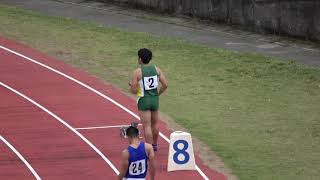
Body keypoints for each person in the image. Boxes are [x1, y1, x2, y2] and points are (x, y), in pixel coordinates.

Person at [129, 48, 168, 151]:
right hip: (154, 99)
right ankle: (155, 145)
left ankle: (149, 148)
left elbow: (133, 90)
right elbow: (165, 84)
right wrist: (158, 94)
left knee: (147, 126)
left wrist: (132, 85)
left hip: (144, 100)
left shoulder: (137, 72)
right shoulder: (157, 69)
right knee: (155, 124)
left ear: (140, 59)